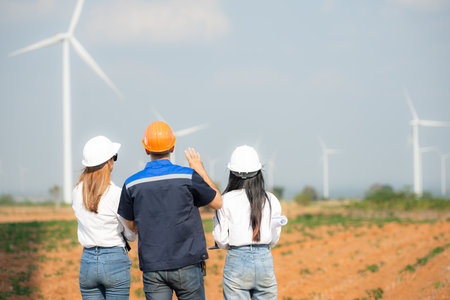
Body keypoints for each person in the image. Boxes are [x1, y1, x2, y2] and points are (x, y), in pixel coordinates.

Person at [118, 121, 222, 300]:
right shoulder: (188, 176)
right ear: (172, 147)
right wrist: (200, 170)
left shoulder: (131, 184)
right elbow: (217, 202)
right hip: (188, 264)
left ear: (146, 149)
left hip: (153, 266)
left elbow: (128, 222)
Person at [213, 145, 282, 300]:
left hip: (237, 260)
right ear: (258, 172)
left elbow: (221, 239)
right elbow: (274, 237)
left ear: (232, 173)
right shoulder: (271, 200)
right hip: (264, 259)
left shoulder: (225, 201)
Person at [72, 135, 137, 299]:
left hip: (87, 261)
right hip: (114, 259)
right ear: (108, 162)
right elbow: (131, 234)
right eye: (114, 157)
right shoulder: (116, 194)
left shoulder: (76, 192)